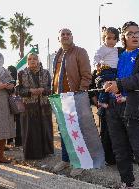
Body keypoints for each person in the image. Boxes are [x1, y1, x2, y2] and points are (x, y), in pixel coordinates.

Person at [104, 21, 139, 189]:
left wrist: (119, 85)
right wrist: (103, 81)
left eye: (137, 33)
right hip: (113, 108)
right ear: (123, 37)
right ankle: (127, 183)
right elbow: (100, 73)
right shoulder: (116, 54)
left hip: (134, 107)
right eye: (130, 33)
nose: (134, 36)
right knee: (120, 150)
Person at [51, 28, 92, 175]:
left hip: (74, 98)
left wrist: (80, 94)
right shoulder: (57, 54)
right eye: (63, 34)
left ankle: (80, 162)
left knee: (77, 131)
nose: (66, 36)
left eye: (68, 34)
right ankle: (66, 159)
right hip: (59, 99)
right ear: (59, 38)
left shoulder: (80, 52)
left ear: (72, 37)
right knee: (63, 131)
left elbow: (87, 75)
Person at [18, 53, 54, 160]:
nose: (32, 61)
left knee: (45, 128)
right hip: (29, 107)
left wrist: (43, 90)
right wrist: (30, 91)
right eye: (30, 59)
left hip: (44, 105)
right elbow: (18, 90)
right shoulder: (21, 73)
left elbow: (51, 88)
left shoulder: (46, 73)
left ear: (38, 60)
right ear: (27, 61)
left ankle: (47, 151)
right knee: (30, 130)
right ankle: (32, 154)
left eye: (34, 59)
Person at [94, 27, 122, 116]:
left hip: (114, 70)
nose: (111, 41)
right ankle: (101, 101)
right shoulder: (103, 48)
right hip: (106, 70)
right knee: (107, 85)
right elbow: (96, 57)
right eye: (108, 38)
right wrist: (97, 65)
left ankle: (117, 96)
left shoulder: (116, 49)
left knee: (115, 83)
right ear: (104, 39)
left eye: (114, 39)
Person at [7, 65, 22, 148]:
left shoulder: (7, 80)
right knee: (18, 123)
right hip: (18, 104)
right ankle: (19, 141)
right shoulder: (18, 80)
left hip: (9, 104)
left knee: (10, 122)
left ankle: (10, 141)